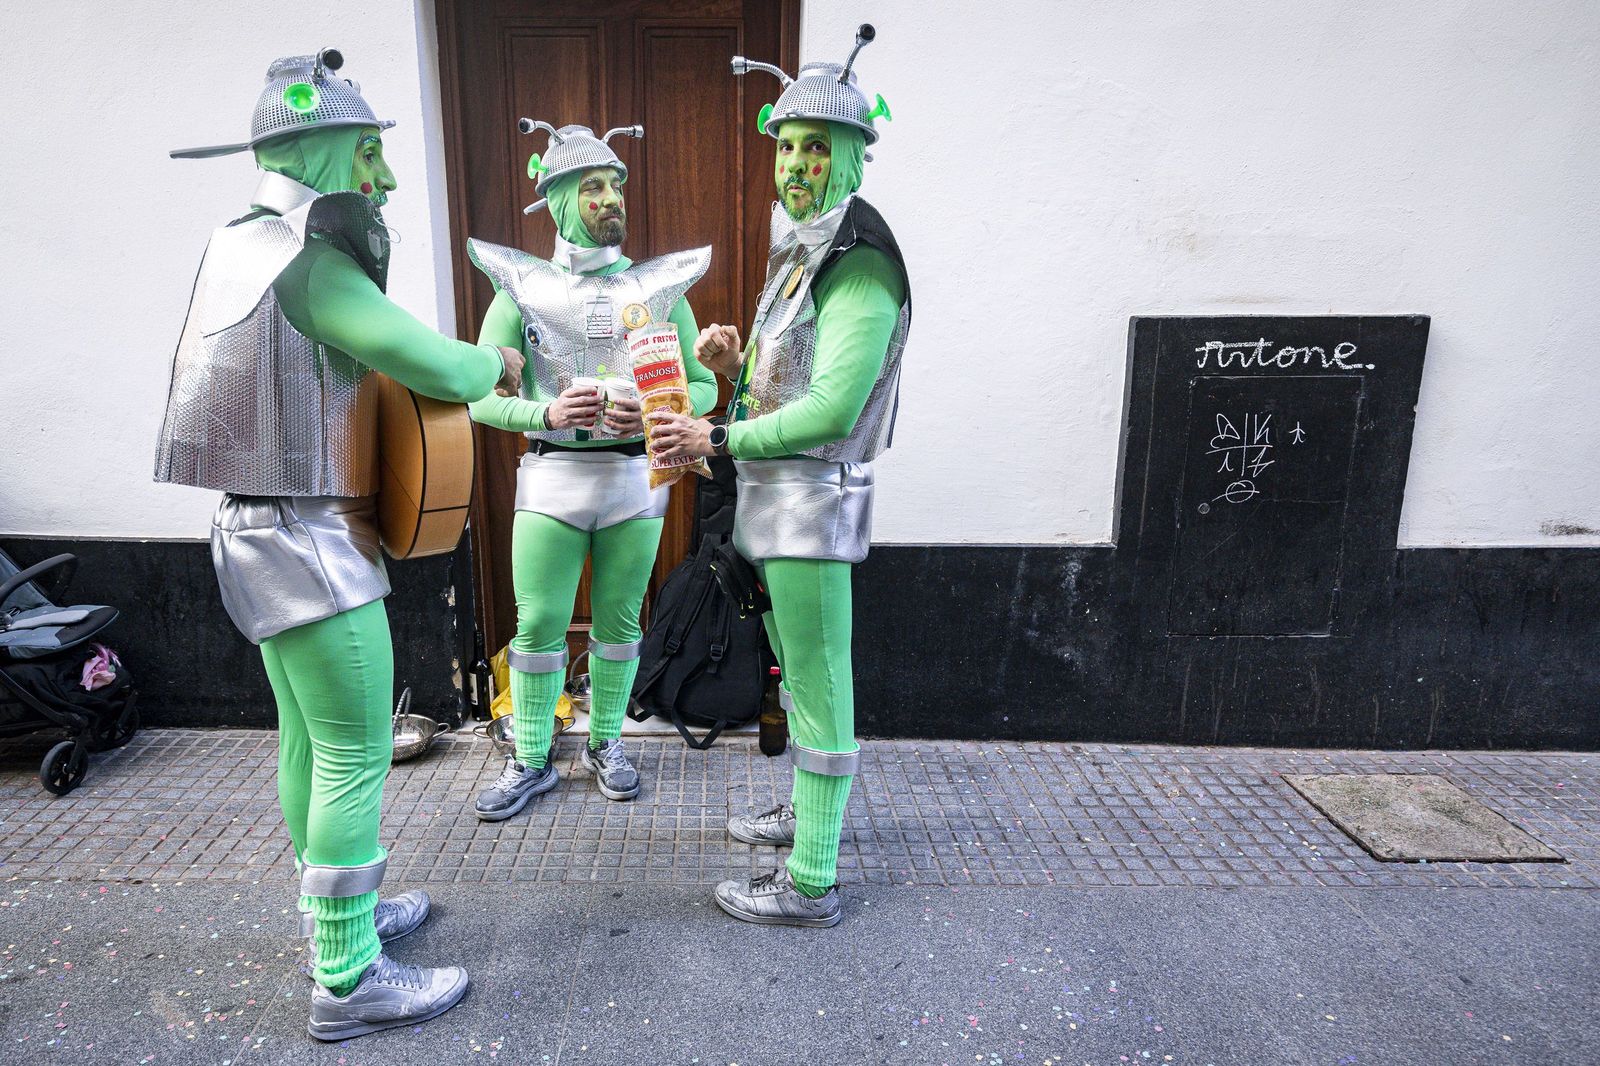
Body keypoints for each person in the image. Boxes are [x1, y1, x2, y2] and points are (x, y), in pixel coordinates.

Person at [154, 49, 523, 1039]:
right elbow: (431, 362)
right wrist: (495, 357)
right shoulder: (305, 260)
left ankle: (339, 923)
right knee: (355, 754)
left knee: (308, 741)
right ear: (318, 149)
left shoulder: (236, 242)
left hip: (255, 527)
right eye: (367, 153)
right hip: (309, 538)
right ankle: (350, 978)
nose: (385, 177)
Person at [649, 26, 909, 927]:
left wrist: (717, 433)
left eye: (817, 149)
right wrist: (737, 365)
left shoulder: (859, 259)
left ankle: (811, 882)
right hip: (777, 504)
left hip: (812, 504)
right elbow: (792, 379)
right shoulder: (805, 244)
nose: (796, 165)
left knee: (821, 680)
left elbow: (833, 410)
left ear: (853, 157)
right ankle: (808, 818)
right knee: (798, 674)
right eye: (788, 146)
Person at [465, 120, 714, 821]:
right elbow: (480, 394)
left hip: (634, 479)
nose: (611, 199)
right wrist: (543, 412)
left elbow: (703, 387)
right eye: (592, 187)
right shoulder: (520, 286)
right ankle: (531, 755)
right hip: (552, 477)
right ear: (557, 199)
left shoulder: (659, 287)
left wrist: (660, 411)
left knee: (620, 620)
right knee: (540, 620)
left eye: (616, 186)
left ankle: (608, 742)